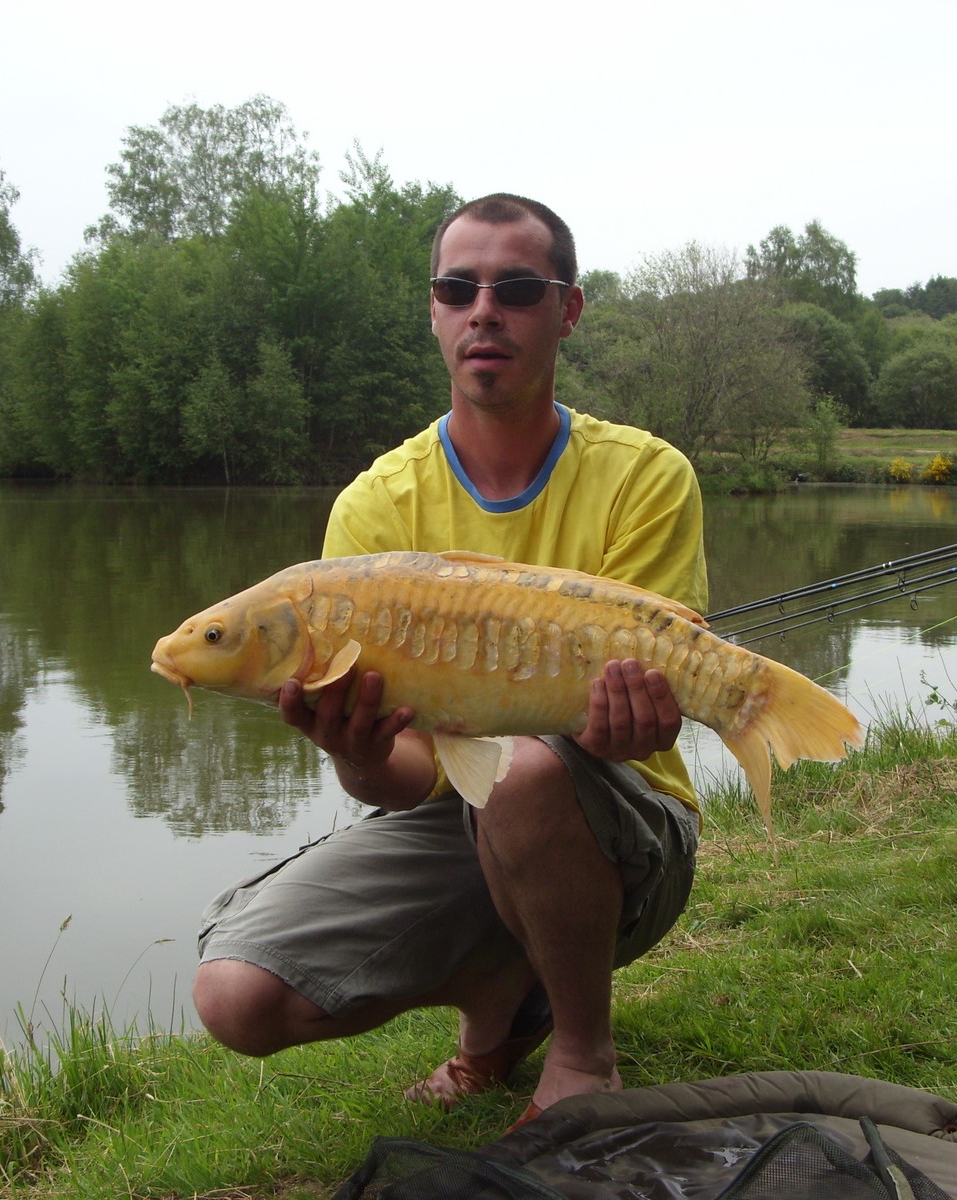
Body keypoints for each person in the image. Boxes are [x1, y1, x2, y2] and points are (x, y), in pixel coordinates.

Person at [192, 193, 708, 1130]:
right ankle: (502, 997)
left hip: (628, 828)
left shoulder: (644, 475)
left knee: (527, 773)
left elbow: (643, 725)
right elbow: (413, 778)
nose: (485, 310)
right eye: (457, 288)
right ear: (433, 311)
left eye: (518, 288)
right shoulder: (373, 510)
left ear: (567, 309)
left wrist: (640, 718)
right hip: (462, 818)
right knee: (236, 998)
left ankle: (583, 1058)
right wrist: (353, 752)